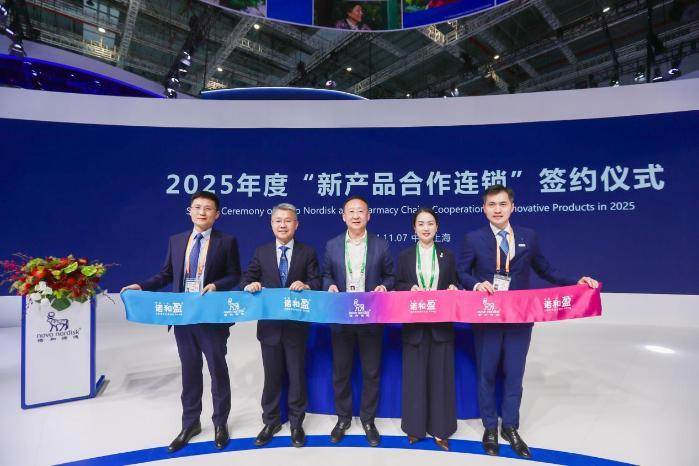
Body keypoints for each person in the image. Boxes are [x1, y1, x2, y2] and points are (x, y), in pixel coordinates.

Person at [457, 184, 598, 459]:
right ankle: (489, 427)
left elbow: (546, 270)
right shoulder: (473, 239)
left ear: (512, 207)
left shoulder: (528, 237)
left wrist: (576, 282)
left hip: (520, 319)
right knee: (486, 373)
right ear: (484, 209)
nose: (497, 210)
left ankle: (510, 426)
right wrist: (475, 284)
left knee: (514, 373)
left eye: (502, 204)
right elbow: (462, 272)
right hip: (487, 317)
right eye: (491, 205)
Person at [121, 191, 241, 453]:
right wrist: (141, 286)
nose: (201, 212)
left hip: (211, 318)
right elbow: (166, 274)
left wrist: (216, 285)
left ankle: (220, 423)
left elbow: (235, 275)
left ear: (217, 214)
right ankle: (190, 424)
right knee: (190, 371)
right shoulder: (176, 240)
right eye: (197, 207)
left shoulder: (227, 241)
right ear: (190, 211)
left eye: (207, 208)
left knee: (217, 371)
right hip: (183, 317)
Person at [241, 203, 321, 448]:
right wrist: (250, 285)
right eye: (278, 220)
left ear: (296, 224)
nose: (283, 225)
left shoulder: (307, 252)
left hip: (296, 327)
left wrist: (307, 286)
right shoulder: (262, 251)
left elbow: (317, 280)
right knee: (272, 376)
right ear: (271, 224)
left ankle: (296, 423)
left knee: (297, 376)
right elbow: (247, 278)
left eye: (288, 221)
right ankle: (271, 421)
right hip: (270, 328)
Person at [323, 195, 394, 446]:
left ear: (368, 216)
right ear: (343, 216)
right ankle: (343, 418)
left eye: (360, 211)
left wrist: (384, 287)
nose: (356, 215)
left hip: (370, 318)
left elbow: (390, 276)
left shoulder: (381, 245)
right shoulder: (332, 245)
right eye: (351, 211)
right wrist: (329, 285)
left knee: (371, 372)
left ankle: (368, 420)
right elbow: (326, 274)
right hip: (342, 318)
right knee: (341, 372)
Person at [395, 207, 459, 451]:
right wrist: (409, 288)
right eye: (421, 224)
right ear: (414, 228)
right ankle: (415, 428)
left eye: (430, 223)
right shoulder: (404, 256)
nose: (425, 228)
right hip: (415, 328)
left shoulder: (447, 256)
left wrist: (453, 287)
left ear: (437, 227)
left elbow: (454, 282)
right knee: (415, 379)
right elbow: (397, 284)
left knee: (441, 379)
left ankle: (441, 431)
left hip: (441, 327)